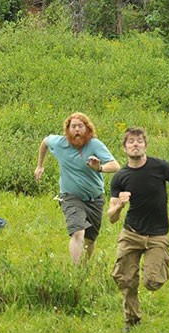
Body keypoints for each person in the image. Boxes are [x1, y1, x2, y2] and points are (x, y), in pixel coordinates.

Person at [108, 127, 169, 333]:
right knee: (125, 279)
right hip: (131, 233)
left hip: (157, 234)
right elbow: (111, 217)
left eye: (139, 141)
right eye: (130, 141)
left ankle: (161, 260)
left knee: (152, 281)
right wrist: (120, 206)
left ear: (145, 145)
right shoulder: (120, 177)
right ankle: (132, 319)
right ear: (124, 148)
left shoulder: (161, 167)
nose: (135, 144)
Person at [34, 112, 120, 265]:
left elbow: (115, 166)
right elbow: (45, 142)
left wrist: (99, 167)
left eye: (80, 126)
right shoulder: (60, 143)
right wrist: (40, 166)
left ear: (87, 129)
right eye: (73, 126)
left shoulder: (95, 145)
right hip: (70, 196)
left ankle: (83, 269)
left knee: (90, 239)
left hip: (95, 198)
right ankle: (75, 273)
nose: (77, 130)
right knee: (78, 232)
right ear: (68, 130)